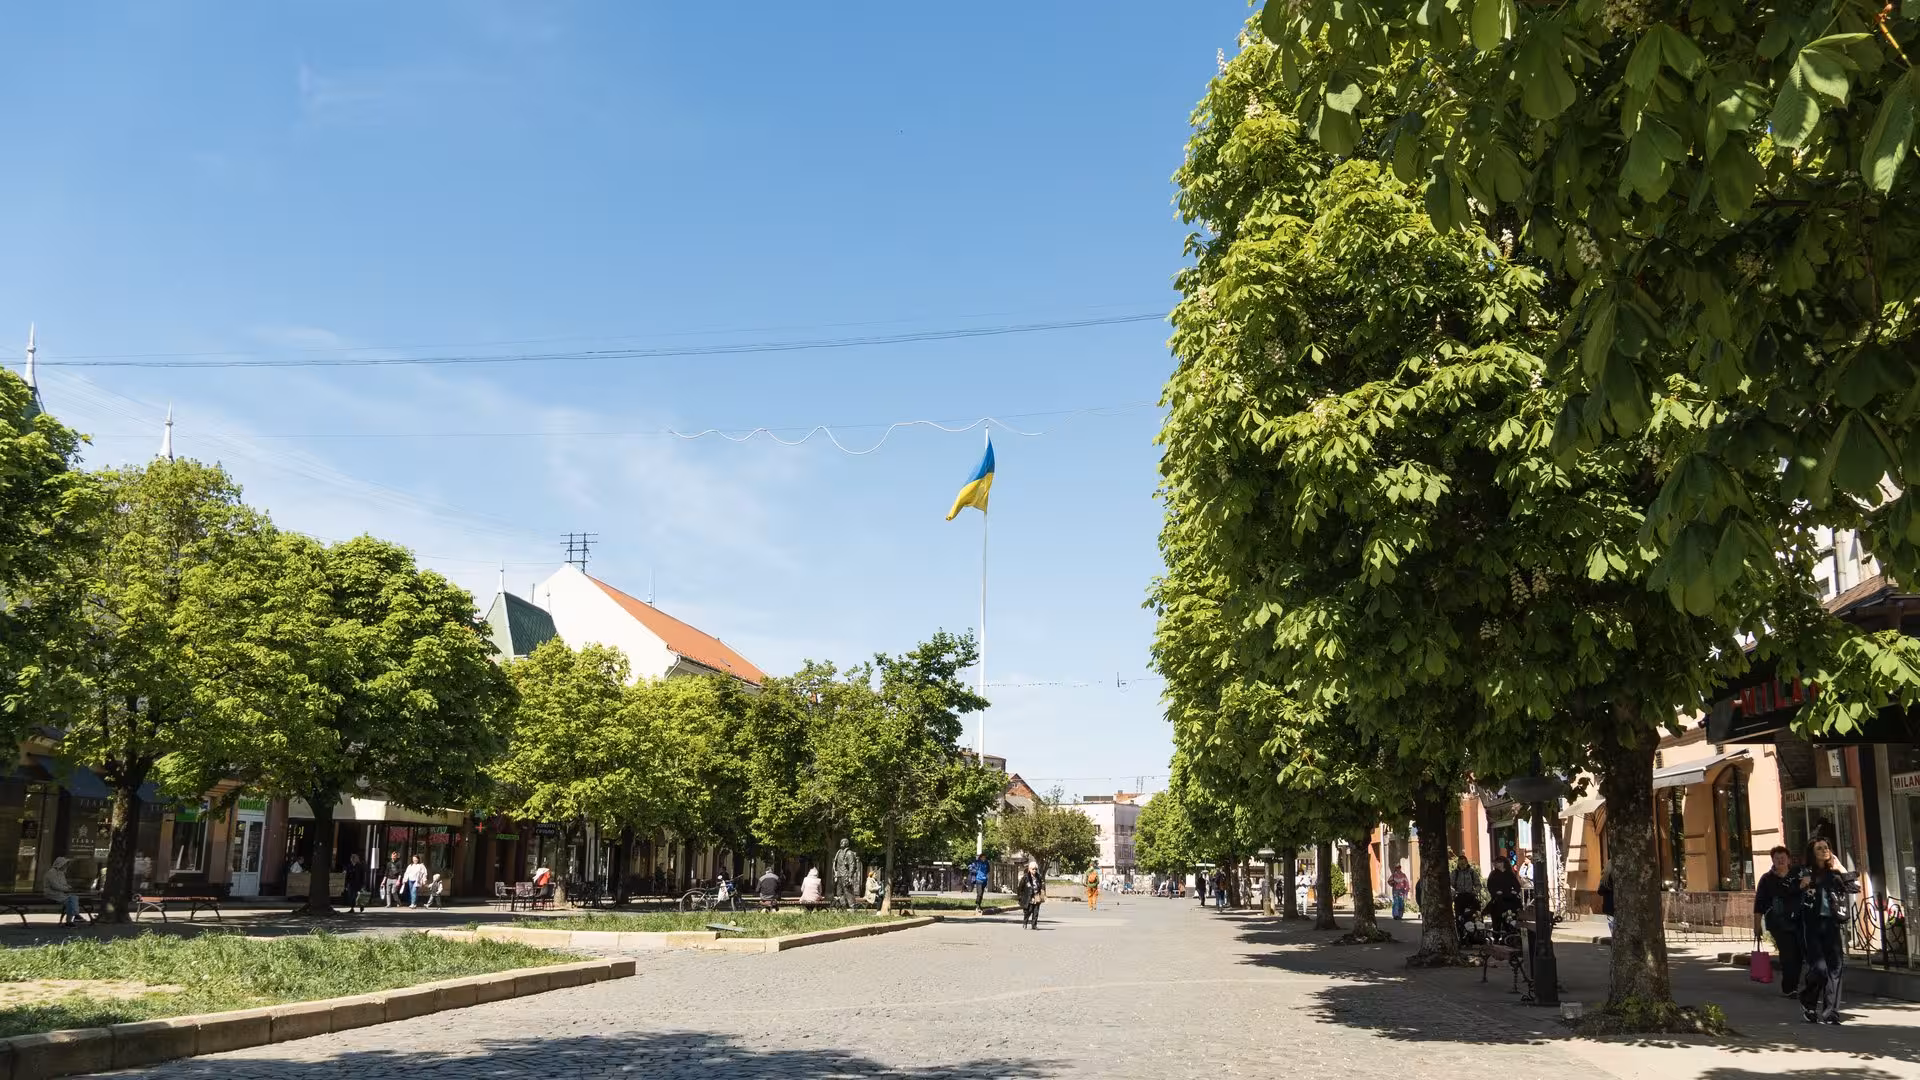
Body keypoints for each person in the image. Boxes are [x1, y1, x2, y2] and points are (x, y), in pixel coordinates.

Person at [1798, 838, 1859, 1024]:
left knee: (1835, 967)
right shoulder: (1805, 872)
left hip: (1832, 924)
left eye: (1826, 847)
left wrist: (1840, 868)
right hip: (1813, 925)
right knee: (1820, 968)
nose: (1824, 850)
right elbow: (1792, 890)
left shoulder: (1834, 873)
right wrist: (1801, 885)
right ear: (1812, 852)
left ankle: (1831, 1012)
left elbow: (1854, 887)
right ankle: (1808, 1000)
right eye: (1820, 848)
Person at [1754, 845, 1802, 997]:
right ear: (1772, 860)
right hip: (1778, 923)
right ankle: (1789, 988)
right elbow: (1759, 903)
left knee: (1799, 955)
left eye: (1783, 858)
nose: (1780, 861)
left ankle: (1793, 984)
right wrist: (1757, 926)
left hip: (1799, 921)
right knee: (1788, 954)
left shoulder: (1797, 875)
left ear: (1789, 860)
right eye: (1777, 858)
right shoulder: (1767, 879)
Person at [1486, 857, 1523, 934]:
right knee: (1496, 920)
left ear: (1503, 863)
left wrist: (1514, 891)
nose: (1496, 864)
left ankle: (1510, 934)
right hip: (1497, 900)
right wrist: (1495, 892)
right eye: (1495, 862)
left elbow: (1517, 886)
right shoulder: (1493, 874)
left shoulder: (1509, 874)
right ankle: (1496, 936)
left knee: (1509, 919)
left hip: (1508, 900)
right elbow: (1490, 886)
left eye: (1498, 862)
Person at [42, 857, 80, 925]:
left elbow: (64, 884)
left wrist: (69, 887)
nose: (66, 866)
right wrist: (67, 889)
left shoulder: (61, 873)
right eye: (65, 864)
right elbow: (55, 886)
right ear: (61, 864)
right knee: (70, 901)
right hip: (51, 893)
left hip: (60, 893)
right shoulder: (51, 873)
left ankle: (73, 917)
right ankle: (72, 919)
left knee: (73, 898)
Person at [1016, 861, 1043, 929]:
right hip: (1028, 896)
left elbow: (1041, 885)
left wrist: (1041, 893)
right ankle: (1025, 922)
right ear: (1029, 869)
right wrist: (1020, 897)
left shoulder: (1038, 877)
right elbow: (1020, 888)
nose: (1034, 870)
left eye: (1036, 869)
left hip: (1036, 896)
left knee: (1036, 911)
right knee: (1029, 911)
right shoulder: (1026, 877)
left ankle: (1034, 925)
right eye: (1033, 869)